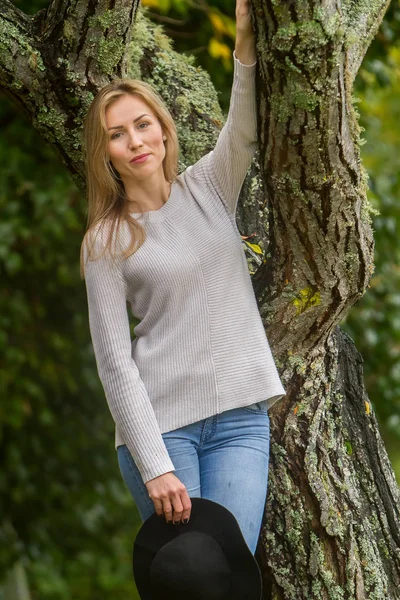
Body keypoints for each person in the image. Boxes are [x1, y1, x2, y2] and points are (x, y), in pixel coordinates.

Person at [80, 0, 285, 557]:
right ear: (107, 155)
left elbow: (242, 127)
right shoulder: (105, 240)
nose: (136, 141)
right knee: (190, 578)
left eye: (143, 124)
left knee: (229, 576)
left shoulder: (210, 186)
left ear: (164, 132)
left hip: (242, 423)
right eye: (118, 135)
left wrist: (245, 39)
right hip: (164, 433)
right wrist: (154, 464)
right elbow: (115, 362)